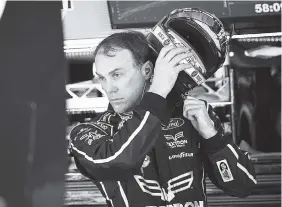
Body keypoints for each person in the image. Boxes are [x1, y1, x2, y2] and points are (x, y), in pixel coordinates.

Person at [69, 31, 256, 207]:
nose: (108, 88)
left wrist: (213, 138)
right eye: (102, 78)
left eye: (117, 75)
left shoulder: (192, 115)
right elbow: (119, 160)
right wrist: (158, 90)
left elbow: (243, 186)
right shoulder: (89, 132)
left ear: (148, 70)